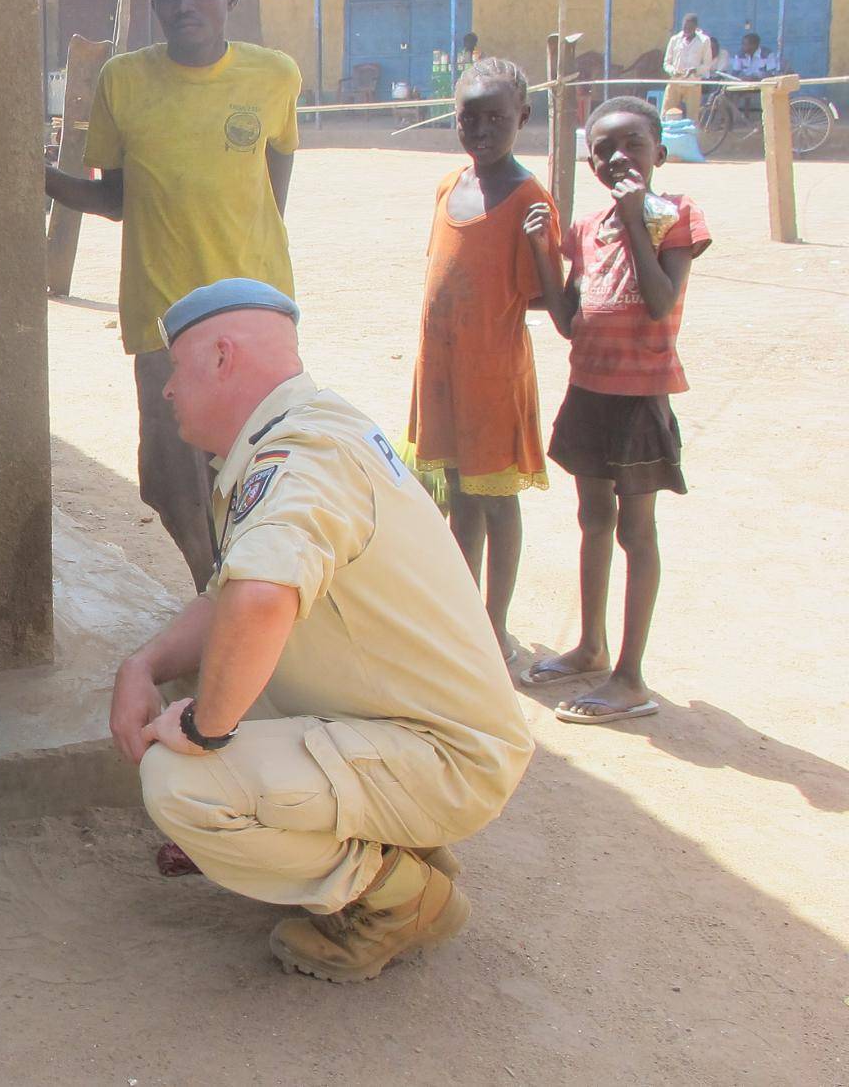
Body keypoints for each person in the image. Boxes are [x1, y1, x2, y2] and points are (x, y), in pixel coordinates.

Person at [111, 279, 533, 982]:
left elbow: (262, 600)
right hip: (413, 725)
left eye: (176, 369)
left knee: (181, 781)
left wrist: (206, 731)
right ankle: (392, 840)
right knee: (203, 668)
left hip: (443, 756)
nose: (166, 391)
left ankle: (398, 900)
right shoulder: (306, 427)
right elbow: (229, 596)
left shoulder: (300, 457)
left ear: (222, 357)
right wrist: (142, 665)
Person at [44, 0, 300, 595]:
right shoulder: (122, 81)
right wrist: (41, 177)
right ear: (154, 1)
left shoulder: (275, 77)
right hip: (161, 317)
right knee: (165, 476)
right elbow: (115, 197)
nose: (184, 5)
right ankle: (213, 590)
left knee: (250, 467)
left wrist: (253, 267)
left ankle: (243, 606)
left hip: (251, 317)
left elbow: (275, 180)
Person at [522, 97, 710, 723]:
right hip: (590, 388)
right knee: (593, 517)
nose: (617, 157)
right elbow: (571, 324)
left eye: (632, 143)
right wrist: (545, 264)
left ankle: (630, 677)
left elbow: (659, 302)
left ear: (660, 149)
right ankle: (590, 646)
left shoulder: (675, 217)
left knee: (637, 530)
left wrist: (634, 218)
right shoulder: (585, 227)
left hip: (638, 396)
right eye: (602, 149)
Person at [407, 58, 561, 661]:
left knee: (497, 500)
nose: (482, 130)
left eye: (496, 118)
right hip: (443, 372)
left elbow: (546, 295)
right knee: (459, 496)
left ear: (522, 117)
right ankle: (463, 612)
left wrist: (538, 244)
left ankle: (494, 627)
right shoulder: (450, 187)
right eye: (469, 117)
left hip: (493, 377)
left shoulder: (528, 200)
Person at [663, 13, 713, 121]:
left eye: (690, 27)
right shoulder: (674, 40)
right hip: (675, 82)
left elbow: (707, 64)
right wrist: (673, 71)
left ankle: (691, 137)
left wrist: (695, 70)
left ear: (695, 27)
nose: (686, 30)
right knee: (666, 114)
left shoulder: (704, 41)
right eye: (685, 27)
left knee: (693, 118)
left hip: (693, 83)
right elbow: (666, 63)